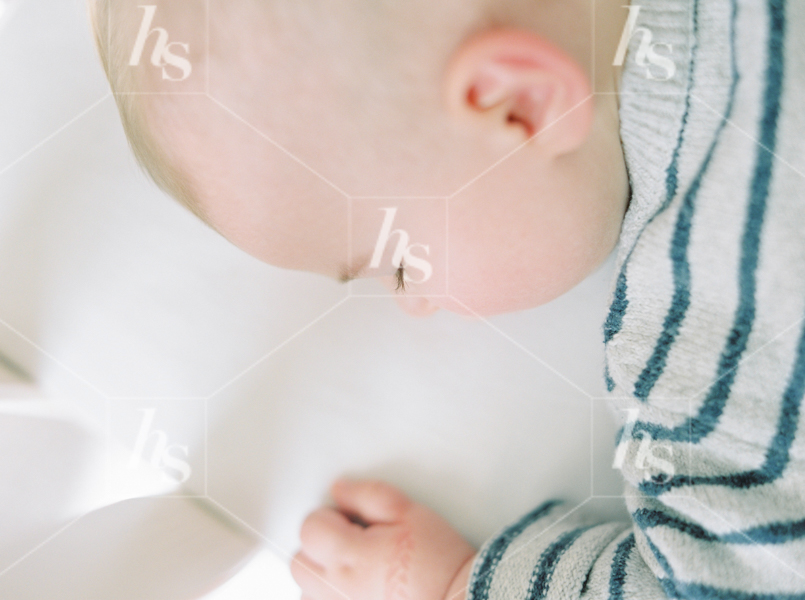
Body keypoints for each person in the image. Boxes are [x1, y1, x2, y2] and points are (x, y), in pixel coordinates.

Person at [88, 0, 805, 598]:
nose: (416, 303)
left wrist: (459, 583)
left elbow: (728, 584)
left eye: (399, 263)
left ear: (519, 107)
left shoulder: (710, 298)